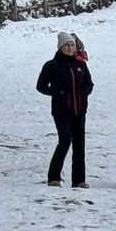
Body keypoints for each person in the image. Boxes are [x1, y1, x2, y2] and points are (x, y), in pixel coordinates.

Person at [37, 31, 94, 187]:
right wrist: (57, 93)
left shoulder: (81, 65)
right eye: (66, 45)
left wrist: (84, 93)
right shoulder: (52, 65)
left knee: (79, 144)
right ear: (60, 47)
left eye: (72, 45)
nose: (70, 48)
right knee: (65, 140)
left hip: (79, 110)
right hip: (61, 110)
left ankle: (79, 180)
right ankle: (54, 177)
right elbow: (41, 86)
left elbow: (89, 84)